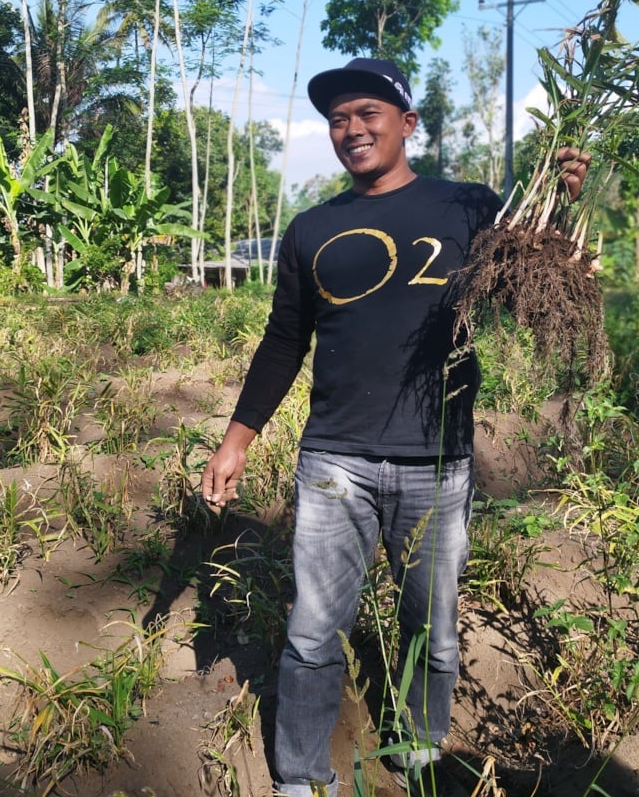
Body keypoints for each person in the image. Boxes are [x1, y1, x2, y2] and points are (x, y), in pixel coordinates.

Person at [201, 58, 588, 797]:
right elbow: (284, 341)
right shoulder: (312, 228)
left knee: (431, 628)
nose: (351, 129)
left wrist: (562, 206)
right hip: (334, 462)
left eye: (367, 114)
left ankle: (420, 748)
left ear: (407, 124)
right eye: (337, 119)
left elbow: (532, 279)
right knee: (313, 631)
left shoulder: (470, 208)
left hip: (436, 460)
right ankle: (301, 778)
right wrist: (236, 440)